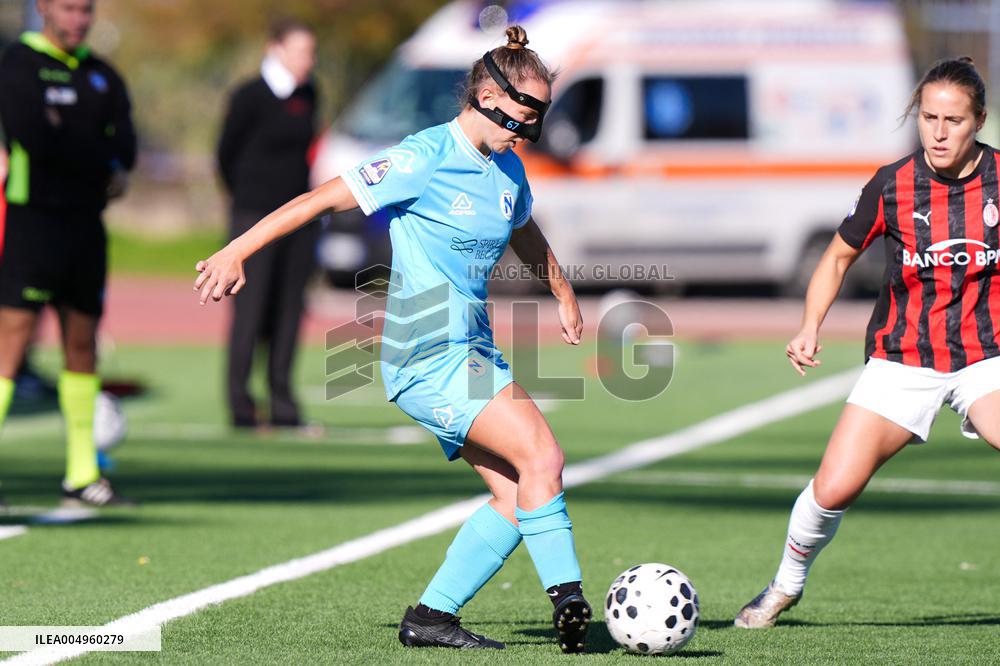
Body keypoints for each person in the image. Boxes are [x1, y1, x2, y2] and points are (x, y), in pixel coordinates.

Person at [195, 26, 592, 653]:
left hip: (474, 351)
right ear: (489, 96)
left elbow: (524, 229)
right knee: (543, 456)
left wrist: (563, 291)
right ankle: (570, 603)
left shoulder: (508, 169)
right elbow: (315, 202)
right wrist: (236, 250)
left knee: (521, 496)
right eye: (528, 113)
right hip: (427, 356)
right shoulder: (422, 157)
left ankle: (431, 618)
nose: (533, 129)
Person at [735, 57, 1000, 628]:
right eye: (928, 117)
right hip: (903, 359)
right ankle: (784, 585)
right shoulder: (893, 183)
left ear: (979, 121)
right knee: (832, 489)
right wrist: (809, 326)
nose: (938, 132)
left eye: (953, 120)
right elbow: (837, 257)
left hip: (987, 358)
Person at [0, 0, 135, 506]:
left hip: (85, 226)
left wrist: (87, 146)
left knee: (82, 345)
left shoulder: (103, 75)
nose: (78, 19)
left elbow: (125, 146)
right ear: (43, 8)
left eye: (86, 10)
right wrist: (93, 151)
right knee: (10, 343)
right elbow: (34, 136)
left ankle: (82, 474)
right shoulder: (20, 62)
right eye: (68, 8)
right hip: (35, 222)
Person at [216, 19, 320, 430]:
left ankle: (282, 401)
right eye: (300, 51)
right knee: (251, 309)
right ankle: (240, 403)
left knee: (290, 310)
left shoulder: (310, 93)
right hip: (253, 216)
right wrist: (249, 202)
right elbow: (225, 154)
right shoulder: (249, 96)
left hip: (298, 222)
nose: (307, 60)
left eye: (311, 52)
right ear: (275, 49)